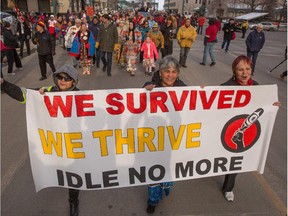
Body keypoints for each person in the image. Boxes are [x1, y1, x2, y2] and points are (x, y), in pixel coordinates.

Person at [0, 64, 81, 216]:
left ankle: (74, 202)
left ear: (74, 82)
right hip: (54, 141)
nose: (62, 81)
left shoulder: (81, 96)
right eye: (60, 77)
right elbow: (23, 95)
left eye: (67, 78)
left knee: (73, 173)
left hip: (73, 142)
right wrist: (4, 84)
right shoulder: (48, 91)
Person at [220, 55, 280, 202]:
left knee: (235, 161)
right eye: (240, 69)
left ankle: (228, 188)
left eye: (247, 69)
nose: (244, 73)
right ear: (234, 71)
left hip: (242, 132)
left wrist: (272, 106)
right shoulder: (225, 88)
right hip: (226, 130)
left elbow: (262, 108)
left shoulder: (257, 87)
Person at [143, 55, 186, 214]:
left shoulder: (184, 89)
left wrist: (202, 92)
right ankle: (152, 200)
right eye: (167, 71)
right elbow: (135, 105)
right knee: (154, 169)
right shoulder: (150, 87)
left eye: (174, 72)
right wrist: (145, 90)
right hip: (153, 138)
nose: (170, 75)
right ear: (160, 73)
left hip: (174, 137)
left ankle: (166, 186)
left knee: (168, 167)